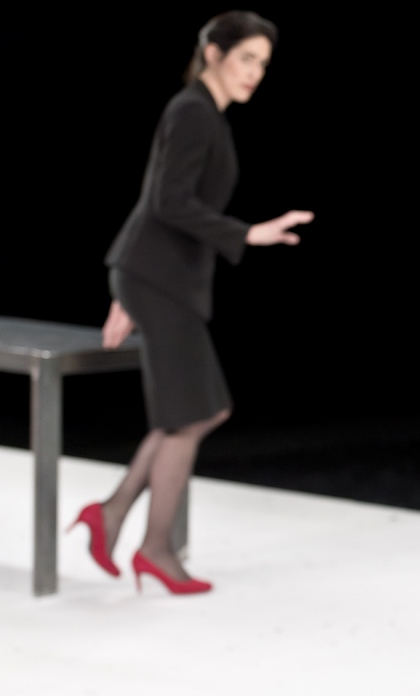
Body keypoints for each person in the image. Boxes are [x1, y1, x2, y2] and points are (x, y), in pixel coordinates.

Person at [68, 10, 313, 595]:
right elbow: (168, 202)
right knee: (195, 414)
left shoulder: (204, 113)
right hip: (158, 280)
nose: (254, 73)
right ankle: (152, 547)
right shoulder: (194, 111)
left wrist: (128, 284)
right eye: (246, 59)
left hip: (157, 279)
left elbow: (158, 199)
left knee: (193, 411)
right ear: (213, 54)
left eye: (263, 64)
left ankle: (112, 516)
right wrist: (248, 233)